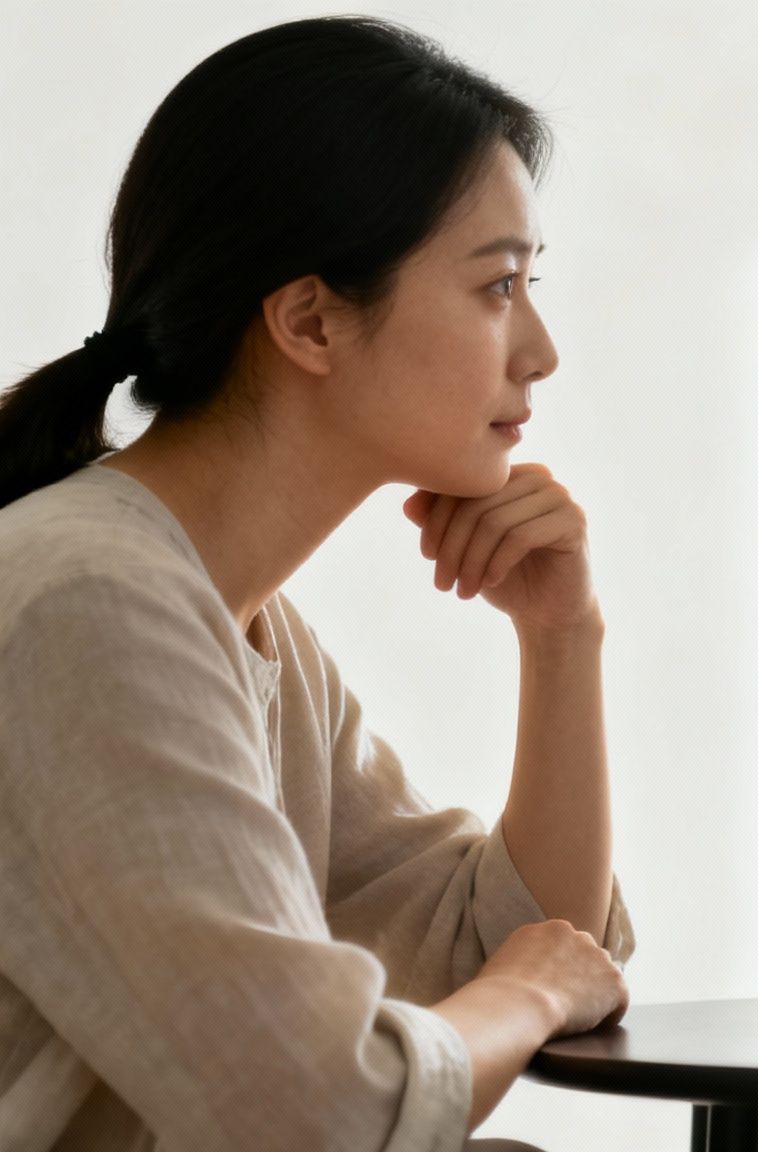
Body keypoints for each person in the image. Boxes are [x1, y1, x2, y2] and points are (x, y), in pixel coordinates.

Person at [0, 17, 632, 1150]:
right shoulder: (90, 604)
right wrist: (533, 992)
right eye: (496, 286)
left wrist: (562, 636)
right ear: (308, 321)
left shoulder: (237, 620)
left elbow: (516, 937)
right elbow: (318, 1111)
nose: (539, 349)